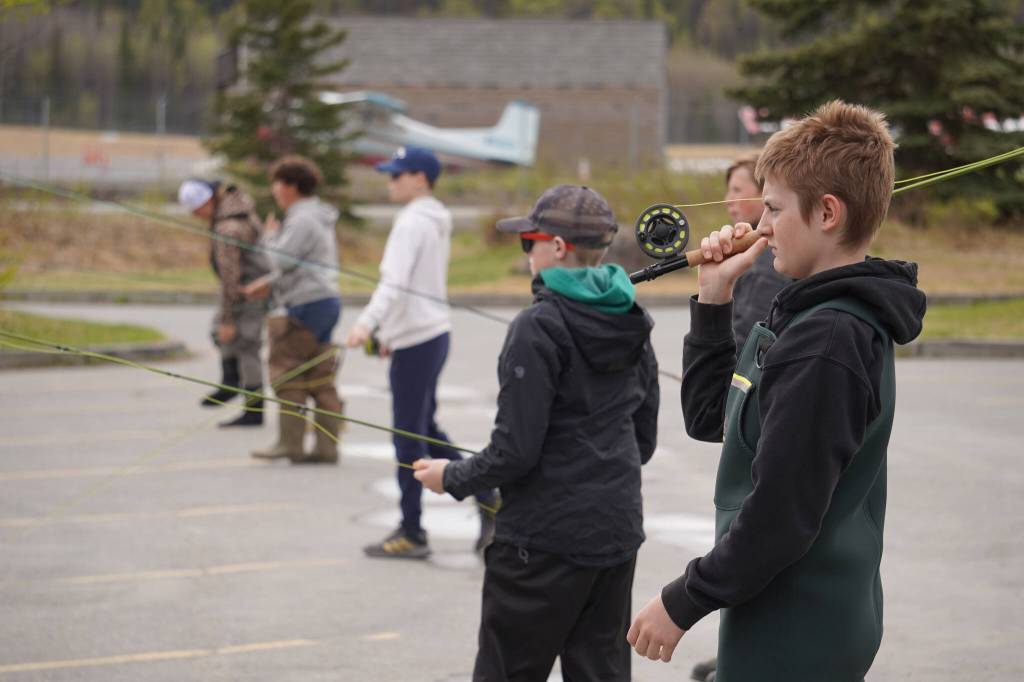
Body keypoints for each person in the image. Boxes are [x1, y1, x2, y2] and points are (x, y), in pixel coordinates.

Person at [626, 100, 927, 682]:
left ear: (828, 213)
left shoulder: (828, 339)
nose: (760, 227)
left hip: (798, 624)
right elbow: (713, 418)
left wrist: (684, 599)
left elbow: (781, 512)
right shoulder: (808, 318)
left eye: (773, 208)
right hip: (790, 608)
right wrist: (713, 298)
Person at [414, 184, 660, 681]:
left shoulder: (537, 327)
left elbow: (515, 452)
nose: (526, 252)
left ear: (558, 248)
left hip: (541, 543)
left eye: (530, 240)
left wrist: (452, 476)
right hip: (615, 533)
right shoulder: (632, 317)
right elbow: (643, 442)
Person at [345, 146, 498, 559]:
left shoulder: (413, 222)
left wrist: (366, 325)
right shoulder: (431, 217)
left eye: (398, 174)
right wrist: (388, 333)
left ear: (420, 179)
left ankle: (412, 531)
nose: (391, 181)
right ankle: (486, 491)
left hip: (419, 339)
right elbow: (410, 287)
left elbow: (394, 285)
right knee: (424, 428)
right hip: (426, 335)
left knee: (407, 438)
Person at [246, 155, 344, 464]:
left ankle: (290, 444)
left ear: (291, 186)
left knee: (288, 371)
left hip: (306, 303)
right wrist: (271, 282)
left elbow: (281, 259)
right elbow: (299, 263)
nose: (274, 189)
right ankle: (327, 448)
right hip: (324, 300)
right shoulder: (318, 216)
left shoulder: (301, 218)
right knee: (319, 375)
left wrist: (269, 235)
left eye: (277, 183)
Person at [178, 179, 270, 428]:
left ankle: (253, 408)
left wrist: (229, 318)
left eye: (196, 210)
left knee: (246, 345)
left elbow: (230, 275)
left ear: (208, 202)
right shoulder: (238, 211)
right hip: (244, 289)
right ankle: (230, 381)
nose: (195, 216)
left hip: (248, 292)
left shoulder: (227, 229)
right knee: (220, 333)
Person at [724, 156, 791, 351]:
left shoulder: (766, 258)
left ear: (765, 193)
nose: (728, 200)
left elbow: (749, 340)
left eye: (736, 190)